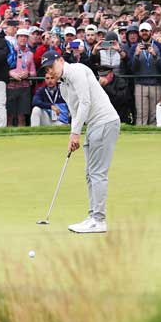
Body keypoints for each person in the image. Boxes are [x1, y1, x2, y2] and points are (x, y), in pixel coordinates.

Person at [39, 50, 120, 234]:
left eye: (52, 66)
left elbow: (86, 102)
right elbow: (75, 112)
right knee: (89, 173)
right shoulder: (63, 86)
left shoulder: (76, 71)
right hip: (93, 125)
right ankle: (92, 217)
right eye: (47, 69)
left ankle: (99, 220)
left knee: (97, 173)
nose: (50, 71)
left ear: (60, 60)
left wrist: (76, 133)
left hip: (105, 121)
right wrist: (72, 135)